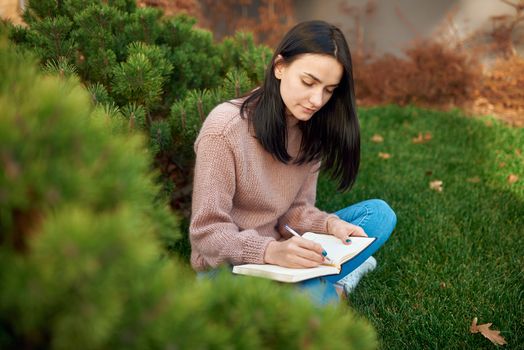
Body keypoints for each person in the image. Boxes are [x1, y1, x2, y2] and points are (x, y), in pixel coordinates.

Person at [189, 20, 397, 305]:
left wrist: (330, 226)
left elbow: (295, 211)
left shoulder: (311, 128)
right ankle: (336, 283)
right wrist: (270, 252)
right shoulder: (224, 129)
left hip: (283, 251)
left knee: (380, 215)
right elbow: (207, 233)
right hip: (228, 267)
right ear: (280, 67)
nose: (316, 100)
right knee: (319, 307)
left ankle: (319, 280)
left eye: (328, 90)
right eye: (308, 82)